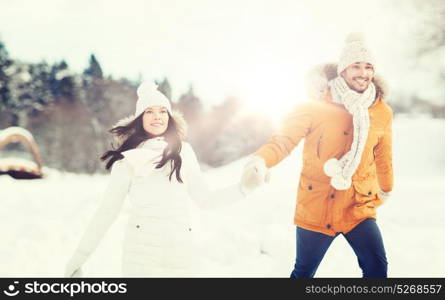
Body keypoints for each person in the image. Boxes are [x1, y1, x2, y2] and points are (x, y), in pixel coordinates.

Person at [241, 33, 393, 278]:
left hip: (358, 205)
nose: (363, 73)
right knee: (303, 272)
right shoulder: (313, 105)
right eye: (356, 66)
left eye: (368, 67)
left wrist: (386, 188)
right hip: (317, 205)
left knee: (377, 269)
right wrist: (261, 160)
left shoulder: (381, 110)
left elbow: (383, 155)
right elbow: (284, 139)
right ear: (343, 69)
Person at [65, 82, 245, 277]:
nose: (157, 116)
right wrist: (78, 259)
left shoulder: (184, 152)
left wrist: (244, 187)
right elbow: (106, 212)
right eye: (149, 112)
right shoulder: (127, 161)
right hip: (141, 258)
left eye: (163, 111)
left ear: (170, 117)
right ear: (140, 118)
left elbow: (206, 199)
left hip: (182, 254)